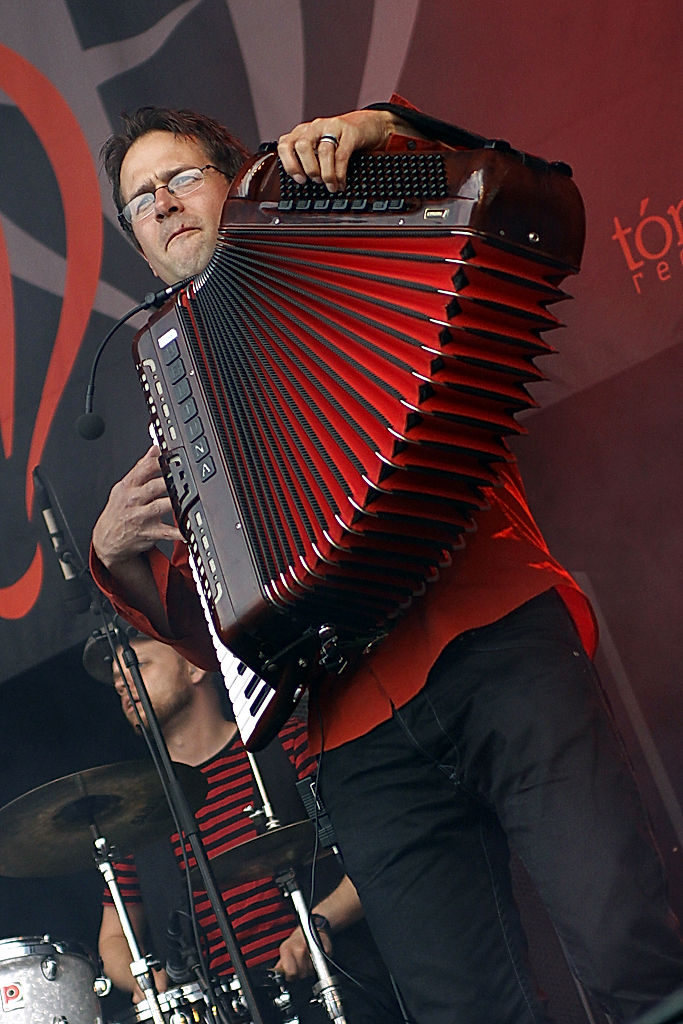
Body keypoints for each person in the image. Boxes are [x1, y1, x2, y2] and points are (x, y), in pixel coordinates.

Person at [89, 97, 683, 1024]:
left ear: (237, 178)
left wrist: (395, 132)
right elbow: (224, 635)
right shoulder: (169, 373)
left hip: (489, 640)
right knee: (461, 1009)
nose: (160, 204)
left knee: (624, 943)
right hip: (350, 732)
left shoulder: (329, 211)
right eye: (139, 201)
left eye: (179, 178)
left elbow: (520, 205)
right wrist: (117, 561)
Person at [83, 627, 405, 1024]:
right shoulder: (138, 813)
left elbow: (376, 852)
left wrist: (318, 922)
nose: (122, 685)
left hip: (336, 989)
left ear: (195, 668)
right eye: (117, 681)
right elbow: (114, 938)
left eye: (139, 666)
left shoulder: (284, 745)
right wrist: (145, 979)